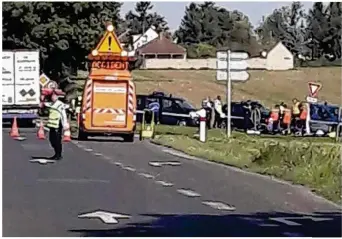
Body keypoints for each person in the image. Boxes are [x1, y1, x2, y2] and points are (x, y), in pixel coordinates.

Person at [45, 90, 68, 160]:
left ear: (57, 97)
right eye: (52, 96)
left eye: (54, 96)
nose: (53, 97)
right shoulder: (52, 104)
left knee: (57, 141)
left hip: (58, 125)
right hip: (52, 126)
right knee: (52, 140)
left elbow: (63, 115)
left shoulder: (59, 104)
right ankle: (56, 154)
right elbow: (47, 104)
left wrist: (65, 124)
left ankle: (58, 155)